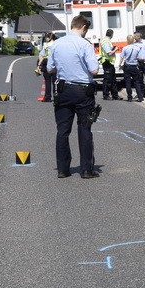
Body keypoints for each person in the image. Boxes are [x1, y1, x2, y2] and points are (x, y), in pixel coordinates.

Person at [46, 15, 101, 179]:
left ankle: (63, 169)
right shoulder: (85, 44)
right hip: (83, 91)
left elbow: (50, 69)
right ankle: (86, 169)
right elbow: (94, 71)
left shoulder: (56, 44)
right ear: (83, 27)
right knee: (84, 128)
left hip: (63, 90)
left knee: (62, 130)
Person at [123, 33, 145, 102]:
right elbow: (139, 57)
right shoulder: (137, 48)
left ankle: (129, 97)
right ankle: (140, 96)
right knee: (137, 82)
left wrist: (119, 64)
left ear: (127, 40)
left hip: (127, 66)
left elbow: (122, 57)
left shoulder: (125, 48)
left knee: (128, 82)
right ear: (133, 40)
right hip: (134, 66)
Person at [98, 29, 120, 100]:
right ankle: (106, 95)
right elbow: (109, 53)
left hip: (110, 62)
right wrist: (115, 49)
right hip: (107, 61)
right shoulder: (105, 42)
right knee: (107, 80)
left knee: (113, 79)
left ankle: (115, 95)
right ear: (111, 35)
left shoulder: (105, 41)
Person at [37, 33, 56, 102]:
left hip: (47, 62)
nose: (46, 39)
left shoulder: (46, 45)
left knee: (47, 81)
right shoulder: (57, 44)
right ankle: (56, 97)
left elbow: (41, 55)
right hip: (55, 63)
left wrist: (39, 65)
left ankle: (48, 97)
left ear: (50, 38)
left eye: (46, 37)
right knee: (55, 81)